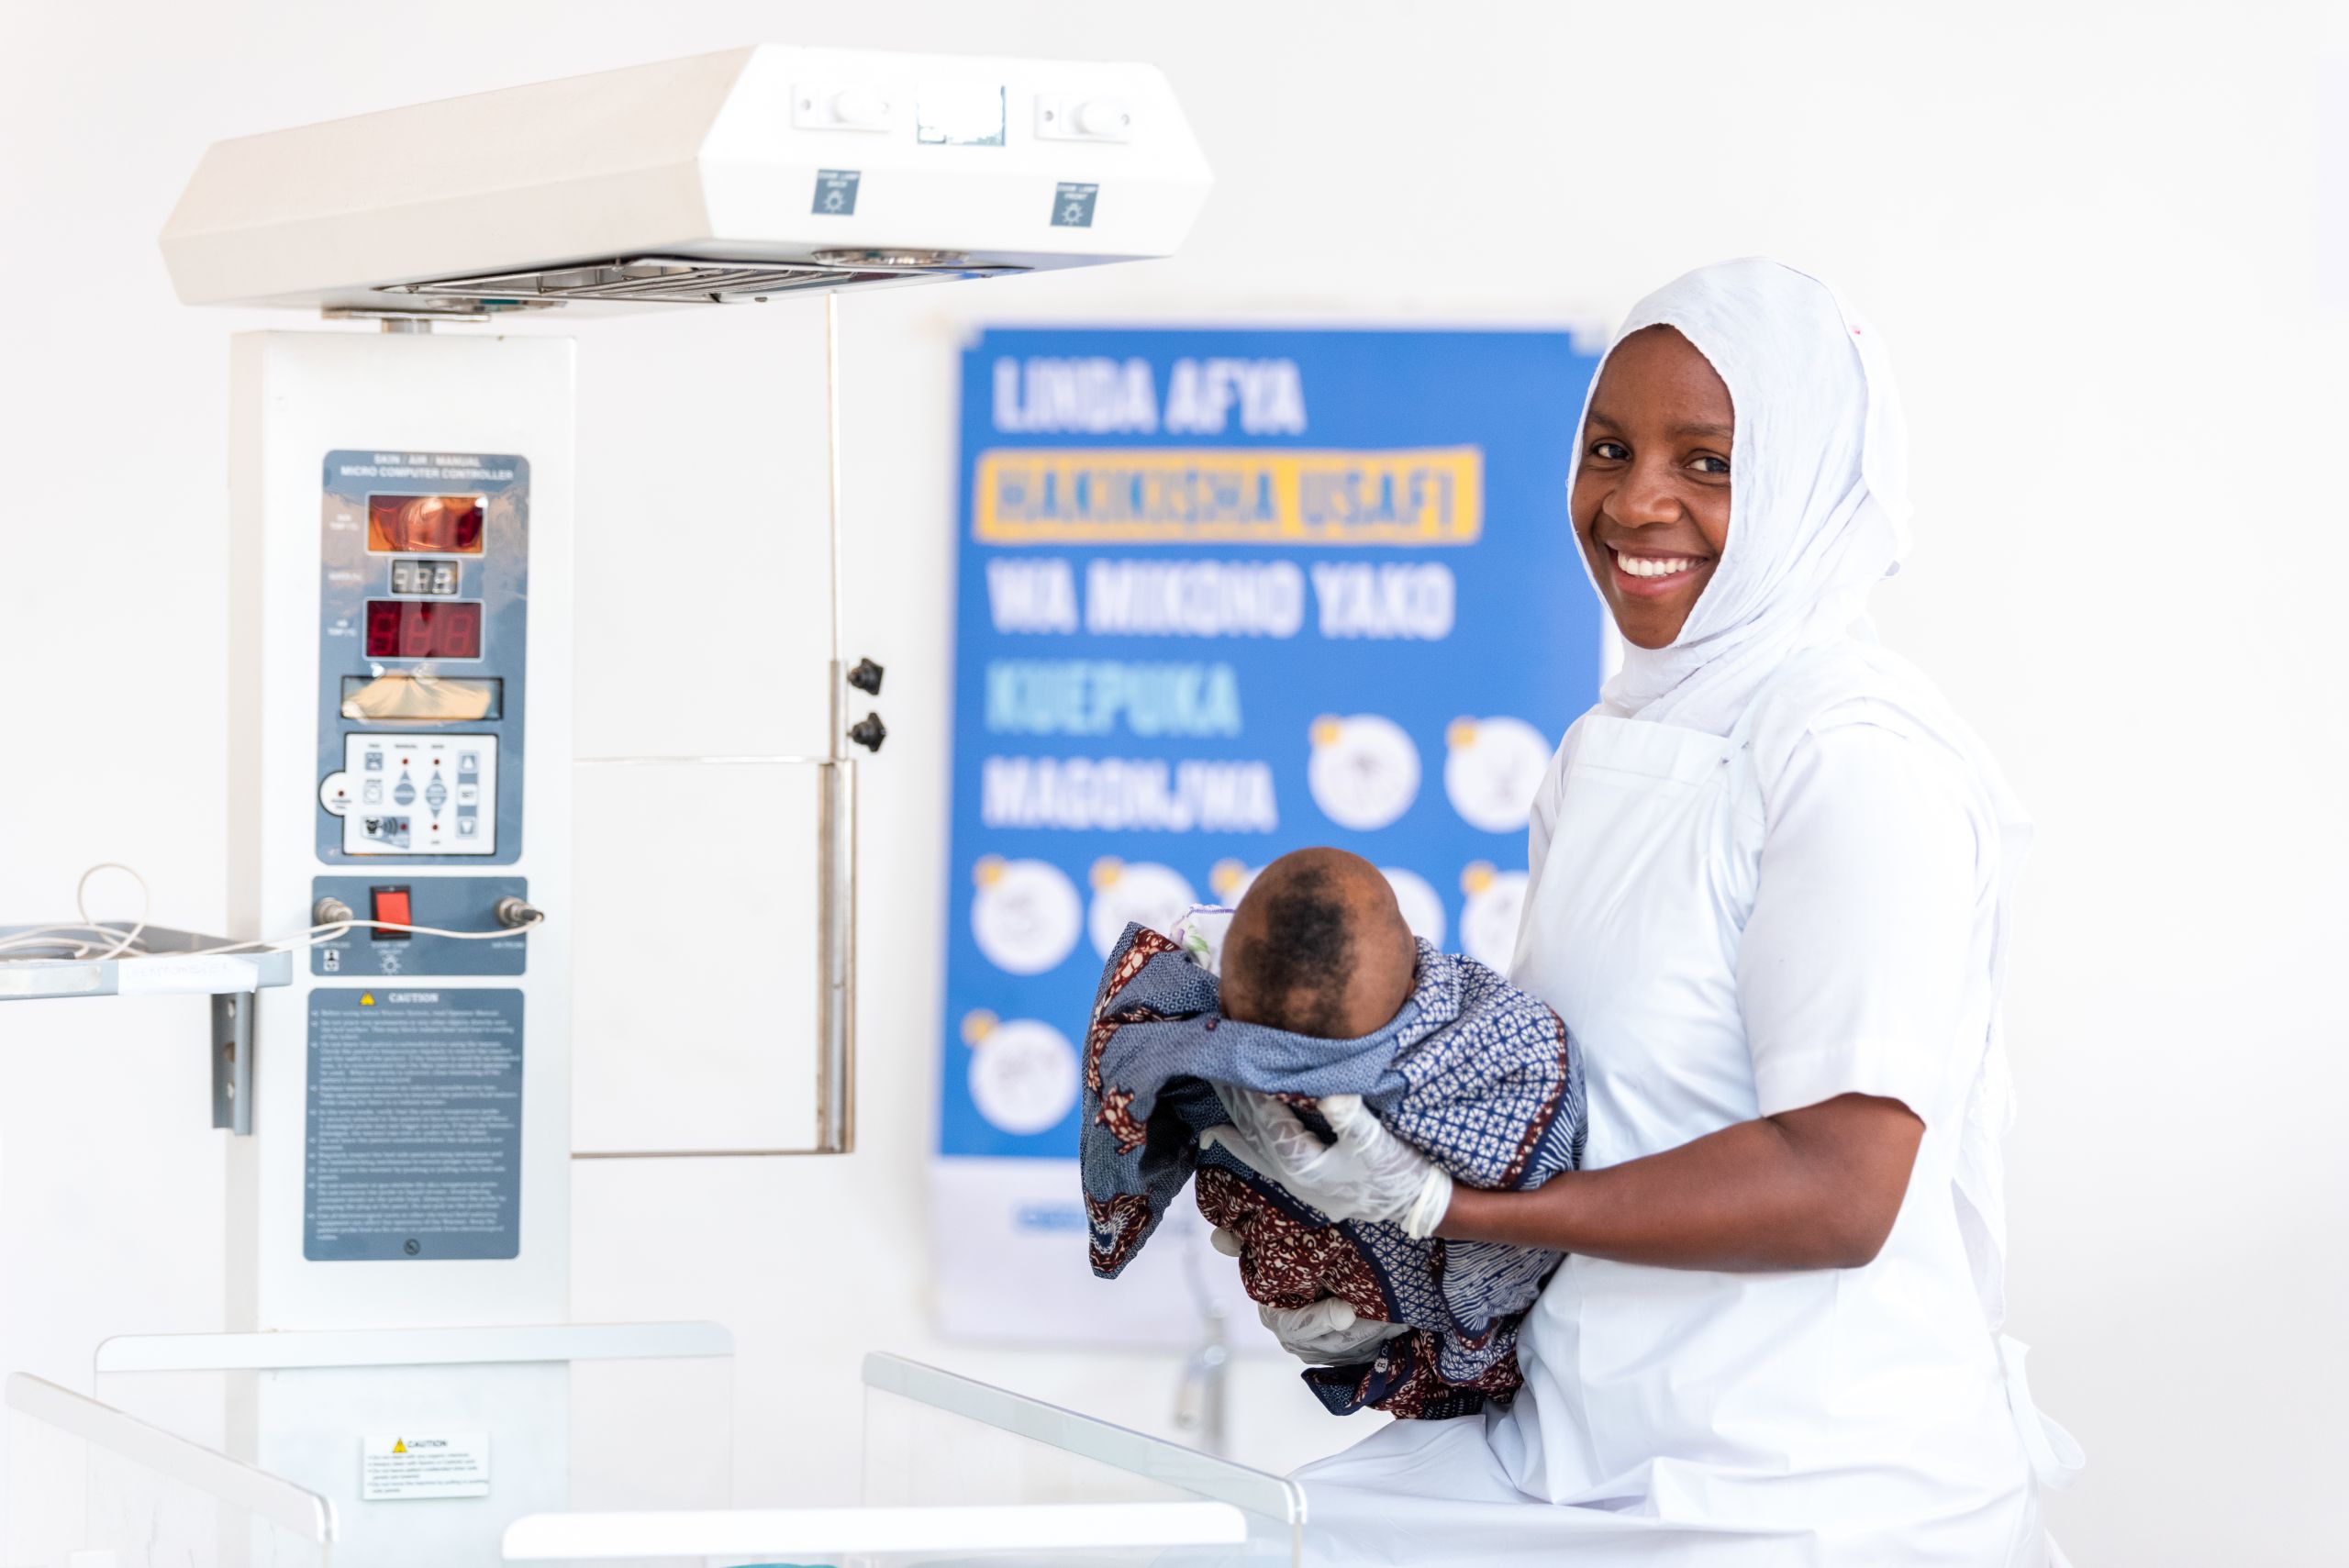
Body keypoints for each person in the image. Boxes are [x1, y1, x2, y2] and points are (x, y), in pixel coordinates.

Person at [1211, 258, 2082, 1565]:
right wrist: (1377, 1267)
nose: (1636, 501)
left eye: (1709, 461)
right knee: (1209, 1538)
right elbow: (1592, 1117)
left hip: (1808, 1486)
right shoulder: (1608, 748)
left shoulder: (1855, 754)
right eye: (1609, 448)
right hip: (1585, 1442)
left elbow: (1840, 1187)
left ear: (1806, 481)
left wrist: (1453, 1212)